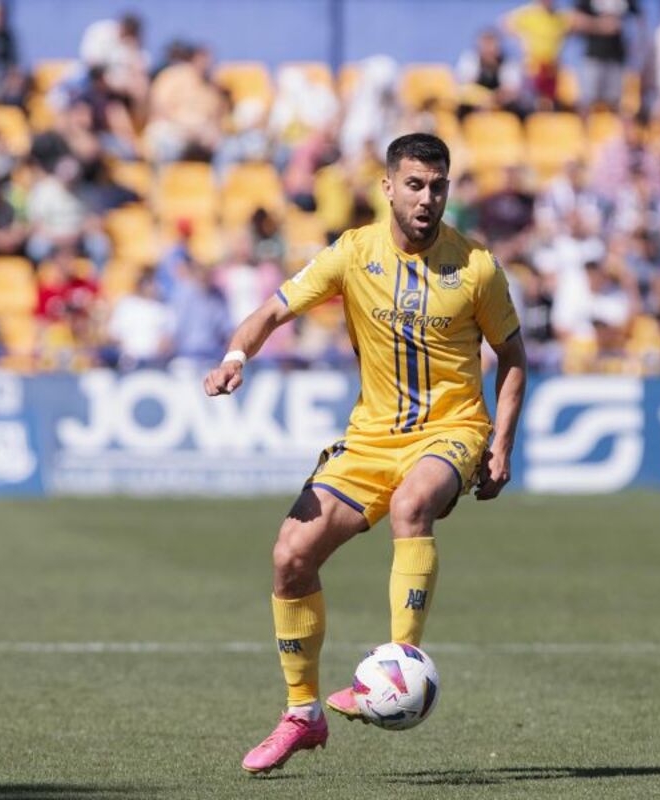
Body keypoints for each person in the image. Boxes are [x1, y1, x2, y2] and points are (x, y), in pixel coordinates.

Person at [205, 133, 526, 774]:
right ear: (386, 187)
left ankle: (399, 666)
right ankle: (303, 714)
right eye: (414, 185)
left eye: (438, 186)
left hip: (452, 428)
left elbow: (514, 357)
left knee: (414, 504)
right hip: (371, 437)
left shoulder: (478, 269)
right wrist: (236, 356)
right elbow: (270, 312)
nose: (427, 199)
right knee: (290, 556)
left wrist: (502, 443)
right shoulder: (352, 254)